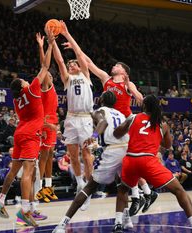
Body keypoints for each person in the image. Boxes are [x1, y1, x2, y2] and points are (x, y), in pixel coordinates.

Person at [62, 24, 154, 216]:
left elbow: (139, 98)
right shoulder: (106, 79)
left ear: (123, 71)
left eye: (117, 65)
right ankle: (144, 193)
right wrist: (71, 41)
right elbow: (86, 60)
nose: (113, 66)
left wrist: (133, 89)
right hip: (110, 125)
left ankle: (141, 194)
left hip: (125, 123)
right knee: (124, 163)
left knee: (129, 161)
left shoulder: (128, 84)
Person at [112, 95, 192, 233]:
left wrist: (130, 132)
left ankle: (118, 225)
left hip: (131, 160)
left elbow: (117, 133)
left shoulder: (133, 117)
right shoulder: (161, 124)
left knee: (122, 190)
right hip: (148, 161)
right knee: (179, 191)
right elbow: (168, 145)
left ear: (144, 106)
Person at [52, 91, 133, 233]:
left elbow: (103, 122)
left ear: (101, 100)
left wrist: (94, 136)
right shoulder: (120, 114)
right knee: (122, 186)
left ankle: (62, 224)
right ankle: (125, 220)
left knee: (90, 187)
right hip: (126, 149)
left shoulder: (99, 111)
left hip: (113, 150)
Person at [0, 38, 51, 227]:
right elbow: (45, 66)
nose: (26, 79)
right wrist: (49, 44)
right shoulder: (33, 89)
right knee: (29, 171)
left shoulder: (17, 101)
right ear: (23, 86)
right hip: (30, 134)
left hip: (19, 133)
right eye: (23, 80)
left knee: (13, 170)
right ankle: (25, 209)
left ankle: (0, 200)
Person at [51, 21, 93, 194]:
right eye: (70, 65)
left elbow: (80, 55)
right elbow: (60, 60)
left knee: (87, 155)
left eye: (73, 64)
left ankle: (90, 186)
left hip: (85, 118)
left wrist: (67, 34)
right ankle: (80, 184)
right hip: (71, 118)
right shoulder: (67, 79)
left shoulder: (85, 75)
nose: (71, 65)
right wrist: (52, 41)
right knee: (73, 156)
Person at [35, 32, 59, 203]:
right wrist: (45, 47)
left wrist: (44, 46)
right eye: (47, 75)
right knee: (43, 156)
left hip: (52, 122)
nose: (48, 75)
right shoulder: (45, 86)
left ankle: (48, 188)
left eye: (50, 75)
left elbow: (45, 67)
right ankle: (39, 190)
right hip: (45, 124)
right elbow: (44, 65)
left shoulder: (52, 87)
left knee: (50, 155)